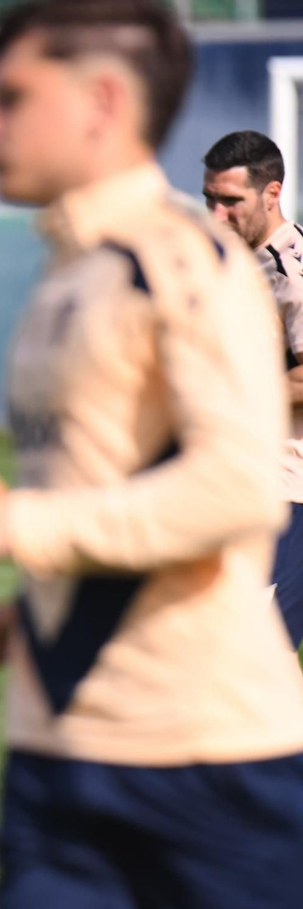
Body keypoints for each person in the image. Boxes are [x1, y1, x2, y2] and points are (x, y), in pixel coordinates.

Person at [0, 2, 303, 909]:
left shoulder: (181, 265)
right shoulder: (70, 270)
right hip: (60, 747)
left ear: (99, 104)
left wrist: (14, 524)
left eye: (9, 100)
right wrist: (20, 612)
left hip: (205, 749)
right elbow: (123, 492)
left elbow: (236, 490)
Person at [203, 130, 303, 650]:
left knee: (252, 660)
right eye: (209, 199)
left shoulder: (294, 270)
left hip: (292, 493)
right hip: (242, 488)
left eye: (231, 201)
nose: (217, 214)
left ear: (271, 194)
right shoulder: (234, 266)